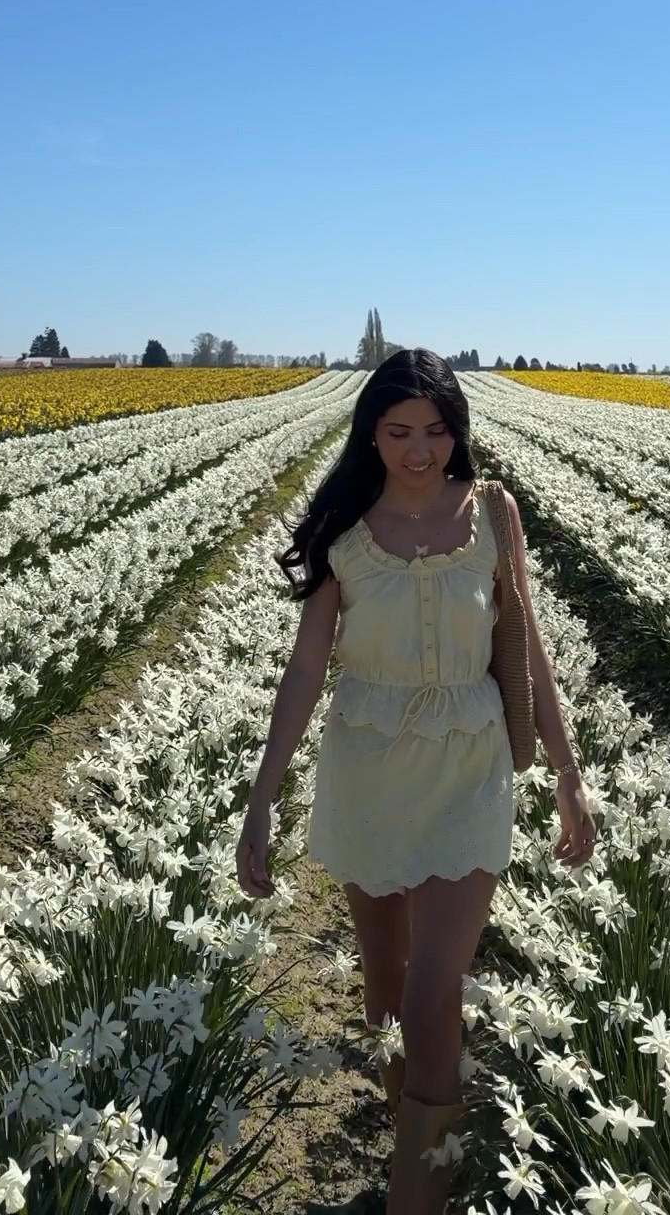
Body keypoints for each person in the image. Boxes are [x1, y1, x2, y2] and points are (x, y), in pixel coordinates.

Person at [236, 349, 597, 1215]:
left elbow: (527, 645)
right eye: (399, 432)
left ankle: (418, 1199)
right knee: (389, 989)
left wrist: (568, 773)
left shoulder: (492, 512)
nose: (420, 450)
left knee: (435, 994)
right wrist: (261, 798)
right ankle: (414, 1131)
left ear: (457, 432)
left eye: (436, 430)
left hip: (470, 767)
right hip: (369, 768)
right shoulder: (345, 532)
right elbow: (305, 671)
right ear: (371, 434)